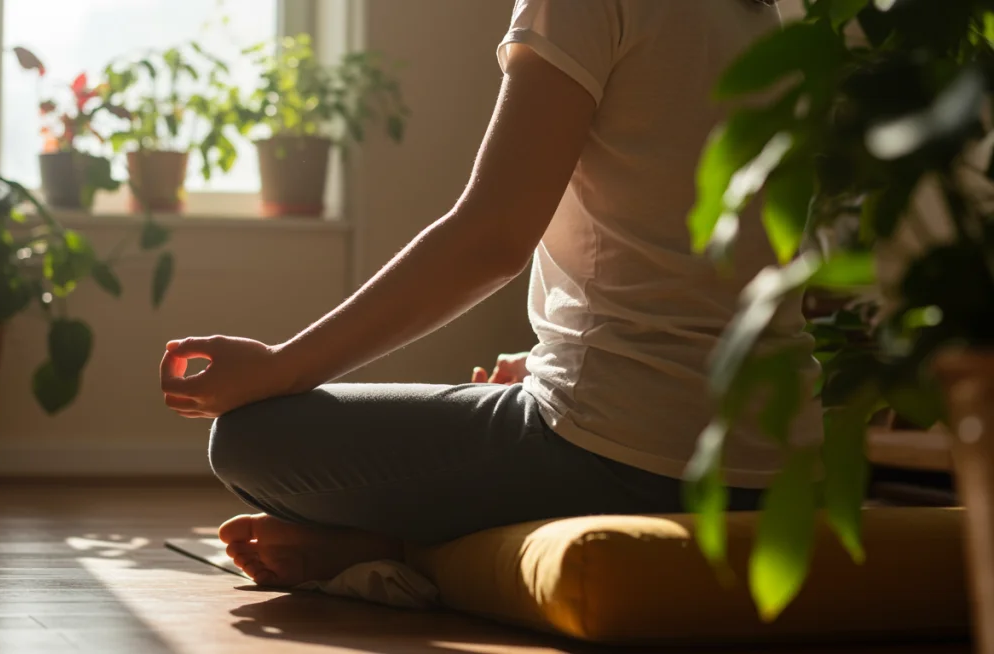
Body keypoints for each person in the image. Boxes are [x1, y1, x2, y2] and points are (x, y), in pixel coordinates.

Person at [159, 0, 819, 588]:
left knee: (251, 439)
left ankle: (411, 554)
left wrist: (281, 365)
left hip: (626, 459)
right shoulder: (779, 14)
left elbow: (491, 239)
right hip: (780, 471)